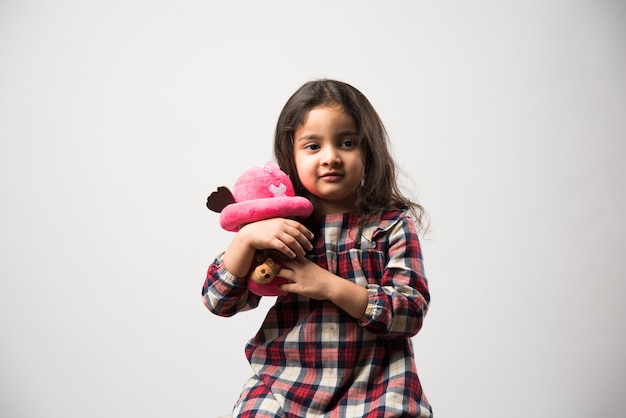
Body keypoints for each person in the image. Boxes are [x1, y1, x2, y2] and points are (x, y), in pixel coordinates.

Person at [203, 79, 433, 417]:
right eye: (313, 146)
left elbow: (409, 311)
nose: (331, 158)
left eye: (347, 143)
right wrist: (247, 238)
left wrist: (327, 285)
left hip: (378, 386)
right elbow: (219, 301)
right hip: (284, 383)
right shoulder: (278, 225)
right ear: (290, 155)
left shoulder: (391, 224)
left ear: (368, 151)